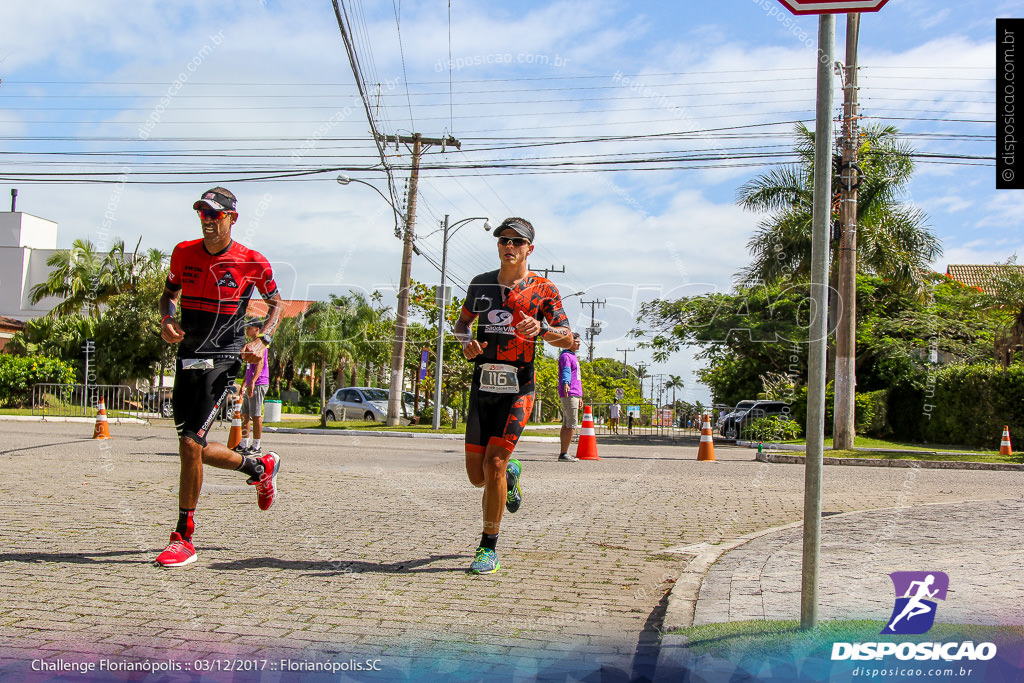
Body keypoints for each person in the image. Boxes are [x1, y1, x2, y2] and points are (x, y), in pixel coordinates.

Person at [155, 187, 284, 568]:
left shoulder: (251, 262)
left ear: (232, 218)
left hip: (224, 358)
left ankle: (184, 536)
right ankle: (259, 467)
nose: (208, 221)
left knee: (192, 445)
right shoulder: (183, 252)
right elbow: (168, 296)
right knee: (189, 445)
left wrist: (263, 339)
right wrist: (166, 318)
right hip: (187, 356)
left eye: (216, 215)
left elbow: (276, 303)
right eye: (203, 215)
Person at [454, 217, 574, 574]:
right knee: (478, 477)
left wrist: (543, 328)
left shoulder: (545, 290)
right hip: (482, 386)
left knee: (495, 466)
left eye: (517, 242)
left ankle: (487, 547)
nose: (509, 246)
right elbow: (461, 325)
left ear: (529, 249)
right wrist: (466, 343)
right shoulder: (481, 285)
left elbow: (568, 338)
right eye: (504, 240)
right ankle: (513, 474)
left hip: (519, 386)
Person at [237, 318, 270, 455]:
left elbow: (260, 364)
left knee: (255, 415)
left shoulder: (261, 345)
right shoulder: (250, 345)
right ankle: (244, 443)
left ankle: (256, 446)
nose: (246, 330)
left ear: (257, 329)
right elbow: (249, 368)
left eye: (249, 327)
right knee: (244, 414)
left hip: (259, 383)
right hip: (251, 383)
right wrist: (244, 384)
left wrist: (252, 383)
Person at [557, 333, 583, 461]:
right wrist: (566, 384)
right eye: (576, 341)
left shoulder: (573, 356)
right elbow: (566, 371)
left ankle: (564, 452)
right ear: (569, 342)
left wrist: (580, 396)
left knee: (567, 424)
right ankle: (564, 453)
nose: (579, 343)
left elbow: (576, 376)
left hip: (575, 393)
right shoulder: (566, 356)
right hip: (570, 392)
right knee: (572, 424)